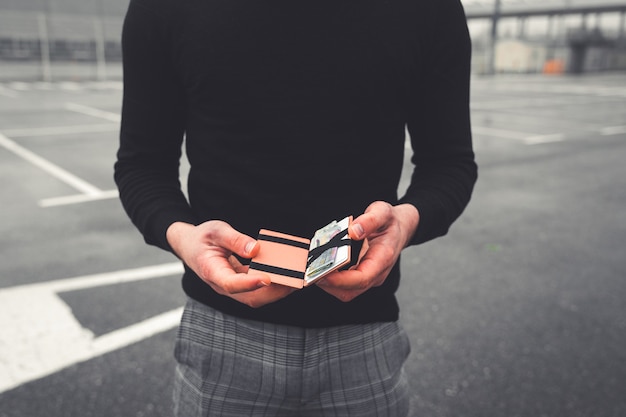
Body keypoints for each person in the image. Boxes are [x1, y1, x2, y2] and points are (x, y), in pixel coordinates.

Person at [114, 0, 477, 415]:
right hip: (221, 337)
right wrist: (184, 237)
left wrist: (405, 223)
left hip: (365, 336)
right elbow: (141, 167)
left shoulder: (428, 7)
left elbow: (450, 165)